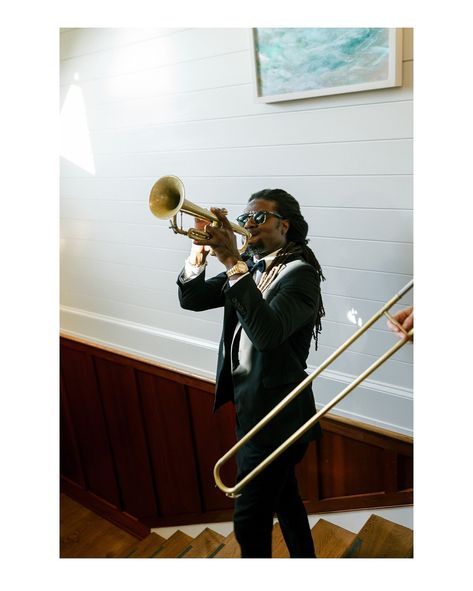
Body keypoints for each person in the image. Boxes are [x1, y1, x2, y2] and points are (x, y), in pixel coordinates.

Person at [177, 188, 325, 558]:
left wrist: (230, 259)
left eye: (258, 217)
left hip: (280, 418)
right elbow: (192, 299)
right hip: (252, 408)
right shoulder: (250, 268)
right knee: (286, 499)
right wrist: (199, 251)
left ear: (284, 225)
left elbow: (267, 334)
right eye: (244, 219)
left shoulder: (300, 273)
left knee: (249, 519)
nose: (248, 225)